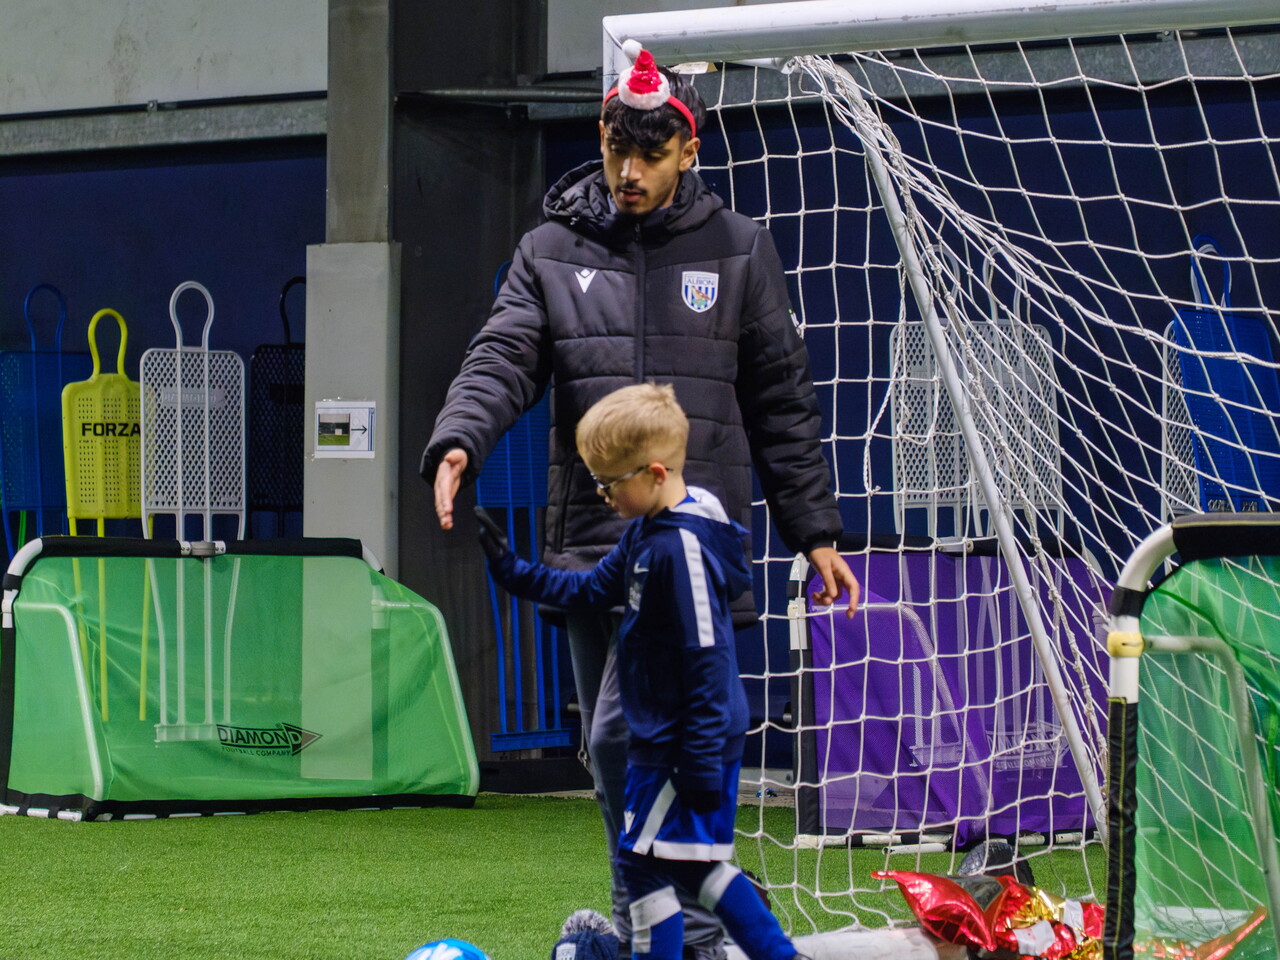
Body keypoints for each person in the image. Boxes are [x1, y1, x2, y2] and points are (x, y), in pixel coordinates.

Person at [422, 45, 858, 958]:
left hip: (697, 556)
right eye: (621, 148)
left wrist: (814, 531)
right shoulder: (549, 252)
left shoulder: (739, 250)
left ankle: (689, 937)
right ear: (604, 136)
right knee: (619, 753)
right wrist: (461, 437)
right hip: (596, 550)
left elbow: (781, 401)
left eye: (652, 155)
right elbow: (502, 356)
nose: (630, 171)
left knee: (681, 748)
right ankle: (659, 930)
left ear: (687, 151)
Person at [475, 384, 805, 960]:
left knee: (656, 862)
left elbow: (708, 657)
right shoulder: (646, 532)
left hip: (686, 742)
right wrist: (513, 570)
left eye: (609, 483)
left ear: (654, 472)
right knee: (687, 864)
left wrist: (699, 760)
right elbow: (587, 588)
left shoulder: (684, 548)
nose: (602, 495)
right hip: (666, 737)